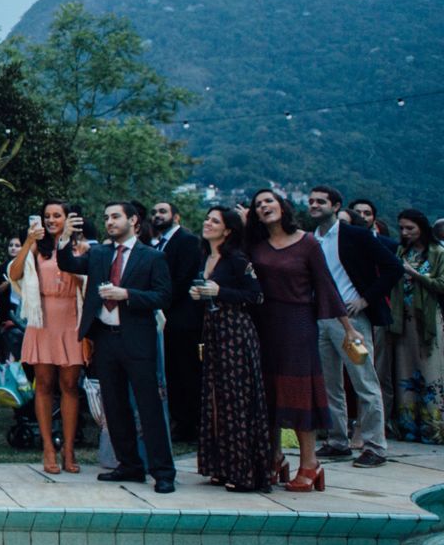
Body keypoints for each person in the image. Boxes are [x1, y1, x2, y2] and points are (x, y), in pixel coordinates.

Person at [55, 202, 175, 493]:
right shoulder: (99, 253)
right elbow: (68, 264)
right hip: (105, 338)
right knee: (114, 404)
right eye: (106, 217)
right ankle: (129, 465)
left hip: (137, 337)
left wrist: (127, 294)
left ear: (133, 220)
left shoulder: (151, 257)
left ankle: (162, 472)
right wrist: (63, 238)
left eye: (115, 217)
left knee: (148, 405)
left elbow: (163, 296)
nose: (109, 222)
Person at [247, 188, 356, 491]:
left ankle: (310, 463)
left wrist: (349, 328)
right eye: (258, 204)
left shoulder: (307, 242)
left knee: (298, 394)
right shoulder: (255, 245)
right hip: (262, 323)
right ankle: (274, 458)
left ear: (282, 206)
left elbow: (326, 285)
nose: (264, 206)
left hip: (297, 324)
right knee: (266, 393)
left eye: (269, 200)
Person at [305, 186, 399, 468]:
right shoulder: (310, 240)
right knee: (330, 383)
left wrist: (366, 299)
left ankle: (374, 446)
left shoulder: (355, 235)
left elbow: (394, 266)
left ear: (335, 206)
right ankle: (337, 441)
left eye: (320, 201)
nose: (314, 205)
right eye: (310, 201)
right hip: (320, 317)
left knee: (364, 381)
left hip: (351, 320)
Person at [192, 206, 269, 492]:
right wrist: (201, 294)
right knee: (215, 399)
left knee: (237, 400)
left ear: (228, 230)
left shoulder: (237, 258)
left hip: (235, 332)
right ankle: (220, 466)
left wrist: (218, 292)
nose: (207, 222)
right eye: (207, 217)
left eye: (215, 220)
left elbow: (256, 295)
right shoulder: (207, 256)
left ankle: (245, 472)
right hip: (213, 330)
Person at [11, 202, 88, 474]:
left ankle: (68, 448)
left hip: (70, 318)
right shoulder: (36, 247)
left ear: (68, 219)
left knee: (69, 384)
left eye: (57, 215)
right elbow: (14, 274)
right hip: (41, 318)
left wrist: (68, 245)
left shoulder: (81, 247)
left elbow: (86, 280)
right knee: (43, 384)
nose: (51, 220)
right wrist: (28, 241)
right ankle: (47, 447)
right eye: (47, 216)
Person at [148, 201, 206, 443]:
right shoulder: (157, 243)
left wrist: (159, 300)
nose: (157, 215)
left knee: (185, 371)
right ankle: (177, 420)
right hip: (164, 317)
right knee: (170, 370)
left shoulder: (188, 241)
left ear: (176, 216)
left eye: (162, 211)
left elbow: (183, 279)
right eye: (154, 213)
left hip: (182, 316)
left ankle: (189, 424)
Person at [390, 210, 444, 443]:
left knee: (430, 372)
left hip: (429, 319)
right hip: (404, 319)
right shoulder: (401, 251)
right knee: (404, 371)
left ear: (421, 227)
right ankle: (408, 427)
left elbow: (441, 284)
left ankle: (433, 429)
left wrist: (415, 274)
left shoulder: (438, 253)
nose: (405, 233)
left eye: (410, 228)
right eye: (402, 228)